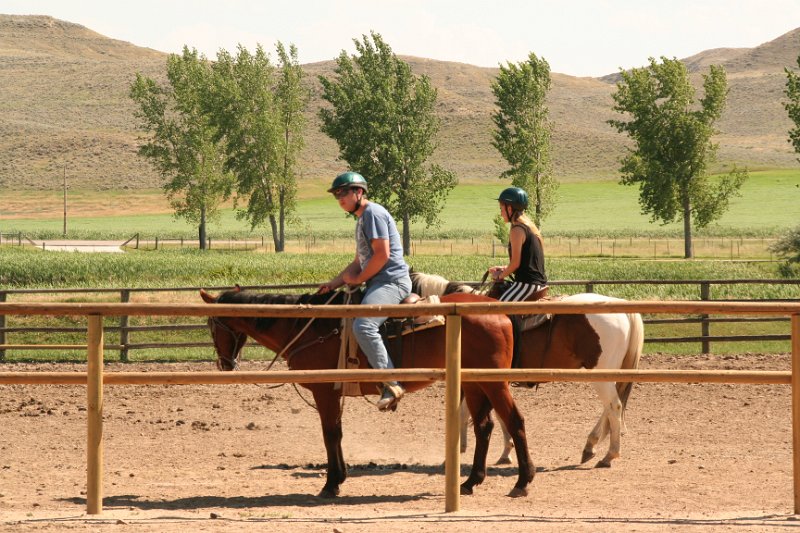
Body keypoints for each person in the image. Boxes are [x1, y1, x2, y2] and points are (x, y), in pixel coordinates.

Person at [318, 171, 412, 411]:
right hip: (378, 282)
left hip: (392, 282)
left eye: (343, 192)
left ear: (358, 192)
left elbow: (382, 255)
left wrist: (358, 279)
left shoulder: (373, 214)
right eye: (336, 194)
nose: (339, 198)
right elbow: (360, 260)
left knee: (364, 325)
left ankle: (390, 383)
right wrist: (334, 283)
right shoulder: (363, 218)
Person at [489, 187, 547, 301]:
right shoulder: (530, 227)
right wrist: (504, 268)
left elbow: (515, 263)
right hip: (537, 283)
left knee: (497, 309)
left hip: (527, 285)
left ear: (509, 208)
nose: (501, 213)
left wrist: (499, 276)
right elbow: (527, 263)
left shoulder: (517, 230)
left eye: (501, 208)